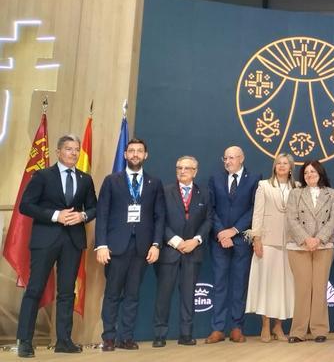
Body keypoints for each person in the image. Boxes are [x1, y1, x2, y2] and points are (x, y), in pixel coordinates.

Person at [16, 134, 97, 358]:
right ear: (59, 151)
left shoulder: (85, 178)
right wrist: (55, 215)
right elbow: (25, 205)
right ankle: (24, 340)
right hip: (45, 240)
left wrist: (82, 215)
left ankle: (64, 340)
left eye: (76, 149)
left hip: (72, 241)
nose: (73, 153)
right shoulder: (42, 175)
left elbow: (93, 208)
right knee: (35, 289)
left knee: (66, 292)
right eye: (69, 149)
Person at [95, 138, 165, 351]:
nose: (135, 154)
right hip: (115, 247)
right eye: (131, 150)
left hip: (141, 248)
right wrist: (101, 245)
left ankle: (126, 337)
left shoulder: (154, 183)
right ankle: (108, 337)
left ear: (146, 155)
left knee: (133, 295)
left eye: (139, 151)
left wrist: (156, 245)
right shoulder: (111, 180)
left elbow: (159, 217)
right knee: (112, 294)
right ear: (125, 155)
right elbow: (102, 214)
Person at [152, 156, 213, 347]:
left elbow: (209, 220)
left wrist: (196, 240)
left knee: (188, 295)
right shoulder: (165, 191)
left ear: (195, 171)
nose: (183, 171)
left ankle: (186, 334)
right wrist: (177, 241)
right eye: (179, 167)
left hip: (193, 251)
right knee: (164, 295)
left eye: (187, 168)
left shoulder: (204, 192)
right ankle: (160, 334)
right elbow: (159, 220)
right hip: (170, 251)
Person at [206, 146, 261, 344]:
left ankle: (237, 327)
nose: (227, 161)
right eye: (225, 158)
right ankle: (218, 329)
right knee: (219, 284)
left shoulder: (255, 179)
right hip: (219, 239)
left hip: (241, 240)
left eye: (231, 158)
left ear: (241, 158)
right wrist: (222, 232)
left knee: (239, 285)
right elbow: (210, 208)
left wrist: (235, 230)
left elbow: (255, 209)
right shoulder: (215, 179)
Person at [286, 160, 334, 343]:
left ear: (320, 173)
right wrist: (306, 239)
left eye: (313, 171)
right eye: (306, 172)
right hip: (299, 246)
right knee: (302, 288)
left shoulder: (332, 194)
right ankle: (298, 331)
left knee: (319, 288)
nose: (310, 175)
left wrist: (318, 239)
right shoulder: (295, 193)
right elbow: (291, 219)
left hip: (323, 246)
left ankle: (319, 330)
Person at [246, 153, 297, 342]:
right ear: (274, 167)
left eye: (285, 163)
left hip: (290, 244)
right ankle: (265, 325)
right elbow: (257, 214)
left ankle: (278, 326)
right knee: (266, 285)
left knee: (284, 287)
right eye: (278, 164)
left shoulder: (297, 187)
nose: (282, 166)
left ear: (291, 167)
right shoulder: (264, 186)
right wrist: (256, 239)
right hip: (267, 242)